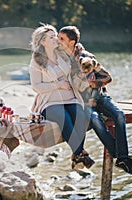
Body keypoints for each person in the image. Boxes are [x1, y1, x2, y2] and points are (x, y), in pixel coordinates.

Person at [57, 25, 132, 174]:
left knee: (119, 115)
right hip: (84, 103)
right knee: (95, 121)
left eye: (61, 38)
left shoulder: (87, 58)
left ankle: (122, 158)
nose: (58, 40)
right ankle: (122, 158)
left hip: (100, 97)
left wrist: (93, 83)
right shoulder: (62, 59)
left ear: (72, 42)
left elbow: (108, 77)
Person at [29, 24, 95, 170]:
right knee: (64, 117)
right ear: (42, 41)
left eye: (55, 36)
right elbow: (36, 86)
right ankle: (80, 154)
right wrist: (57, 85)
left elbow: (79, 51)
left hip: (70, 98)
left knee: (81, 115)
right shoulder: (37, 60)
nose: (55, 39)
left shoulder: (62, 54)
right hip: (49, 102)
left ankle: (77, 156)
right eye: (51, 37)